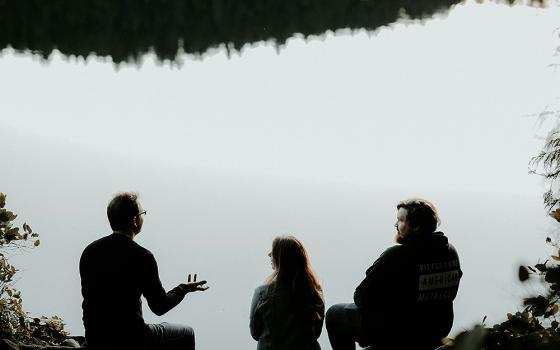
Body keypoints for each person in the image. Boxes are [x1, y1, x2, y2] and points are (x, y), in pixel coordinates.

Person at [326, 198, 462, 350]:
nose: (396, 225)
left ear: (416, 226)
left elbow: (362, 297)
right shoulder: (450, 251)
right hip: (437, 327)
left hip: (401, 331)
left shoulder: (397, 255)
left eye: (401, 220)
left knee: (334, 314)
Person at [80, 192, 209, 349]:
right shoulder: (142, 256)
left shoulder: (90, 251)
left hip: (96, 338)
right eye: (143, 213)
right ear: (135, 220)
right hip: (132, 338)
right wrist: (184, 289)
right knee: (186, 333)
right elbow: (159, 307)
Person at [250, 235, 325, 350]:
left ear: (281, 259)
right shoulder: (314, 291)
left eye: (273, 251)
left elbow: (255, 333)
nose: (269, 254)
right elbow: (316, 333)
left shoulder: (262, 293)